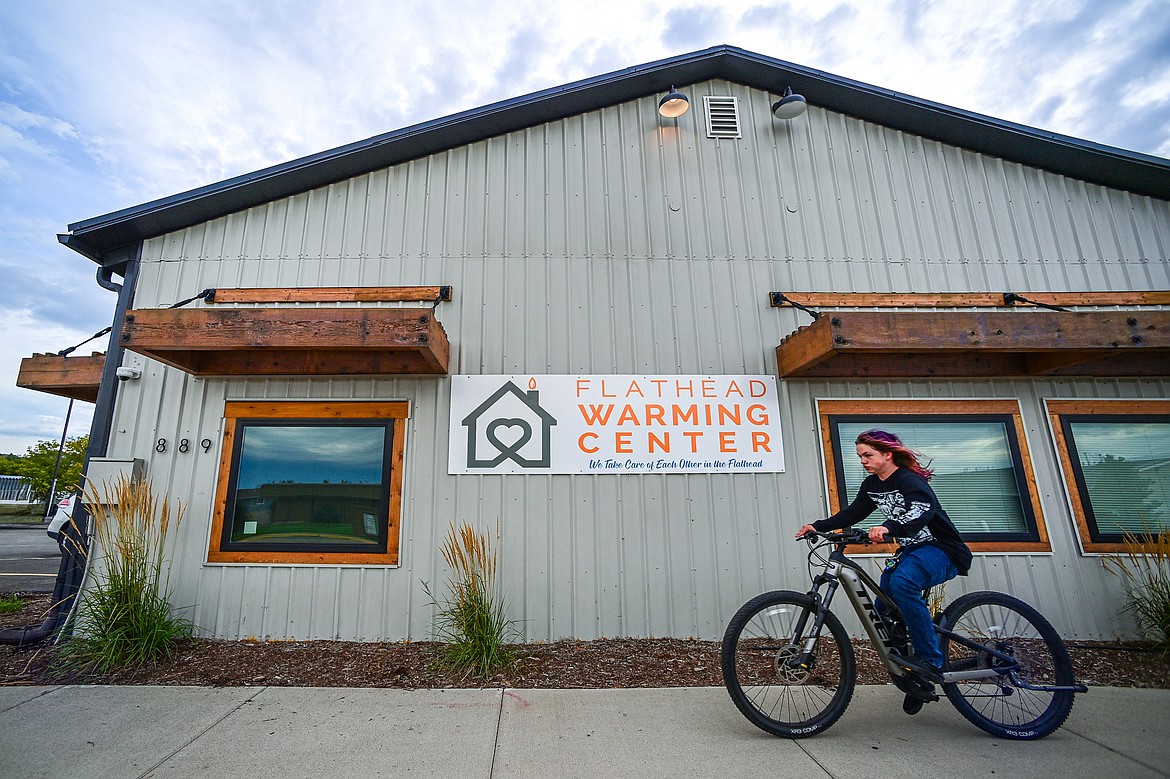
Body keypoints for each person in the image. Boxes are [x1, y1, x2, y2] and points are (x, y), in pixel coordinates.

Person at [796, 429, 972, 692]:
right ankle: (913, 679)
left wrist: (888, 526)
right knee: (885, 602)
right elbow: (853, 513)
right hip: (911, 551)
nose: (863, 461)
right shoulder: (872, 485)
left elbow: (922, 510)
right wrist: (818, 526)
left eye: (868, 455)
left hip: (941, 549)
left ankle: (930, 661)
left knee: (902, 583)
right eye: (860, 456)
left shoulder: (908, 480)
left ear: (888, 454)